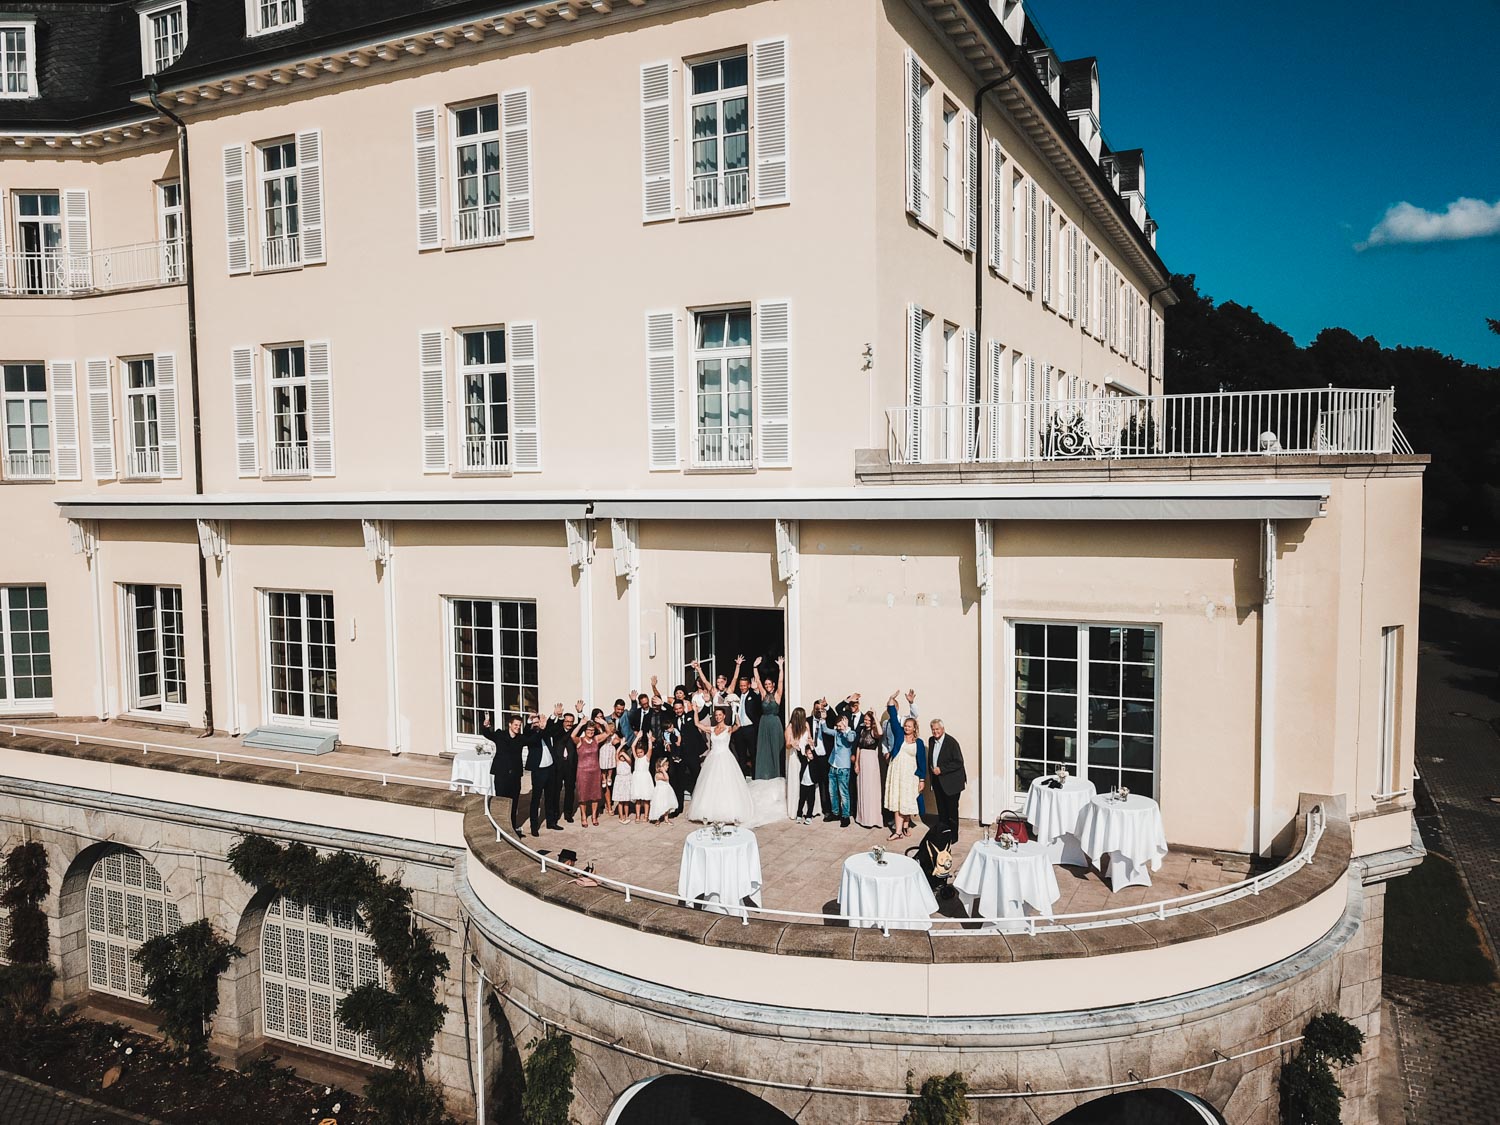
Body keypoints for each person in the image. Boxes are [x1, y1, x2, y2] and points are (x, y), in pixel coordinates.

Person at [688, 704, 755, 825]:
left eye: (720, 715)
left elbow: (738, 725)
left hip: (725, 757)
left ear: (724, 716)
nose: (718, 717)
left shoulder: (729, 728)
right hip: (713, 758)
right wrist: (695, 711)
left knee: (727, 784)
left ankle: (731, 813)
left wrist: (735, 710)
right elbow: (697, 724)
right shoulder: (712, 729)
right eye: (716, 715)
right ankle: (707, 813)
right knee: (711, 785)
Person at [883, 694, 926, 840]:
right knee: (897, 801)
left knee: (907, 800)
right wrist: (891, 698)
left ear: (914, 728)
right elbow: (893, 715)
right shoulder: (899, 733)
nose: (906, 728)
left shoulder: (918, 743)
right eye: (905, 726)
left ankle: (905, 826)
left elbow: (922, 763)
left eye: (909, 726)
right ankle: (898, 831)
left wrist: (922, 779)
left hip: (910, 775)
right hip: (896, 772)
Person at [522, 712, 562, 837]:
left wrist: (556, 716)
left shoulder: (545, 731)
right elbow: (527, 734)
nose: (536, 724)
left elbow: (555, 728)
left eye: (537, 722)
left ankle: (551, 822)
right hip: (538, 771)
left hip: (550, 769)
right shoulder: (531, 735)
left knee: (550, 797)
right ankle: (534, 826)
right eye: (534, 723)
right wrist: (529, 722)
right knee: (536, 799)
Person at [927, 719, 966, 839]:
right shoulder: (931, 741)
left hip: (952, 783)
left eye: (937, 729)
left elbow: (958, 762)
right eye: (933, 729)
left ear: (943, 729)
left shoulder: (951, 742)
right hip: (938, 781)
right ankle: (943, 832)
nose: (935, 731)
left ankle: (953, 836)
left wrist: (942, 769)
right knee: (942, 809)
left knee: (952, 811)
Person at [752, 656, 785, 781]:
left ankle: (776, 773)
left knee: (775, 748)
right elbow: (758, 680)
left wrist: (780, 667)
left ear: (773, 685)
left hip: (774, 723)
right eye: (766, 684)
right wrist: (755, 667)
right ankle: (764, 774)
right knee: (764, 749)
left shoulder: (777, 695)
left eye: (769, 684)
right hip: (764, 723)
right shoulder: (763, 694)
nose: (767, 686)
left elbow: (781, 682)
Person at [545, 705, 579, 823]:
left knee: (570, 790)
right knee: (556, 790)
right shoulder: (557, 730)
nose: (569, 724)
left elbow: (583, 725)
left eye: (571, 722)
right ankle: (555, 813)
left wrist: (580, 713)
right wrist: (555, 715)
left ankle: (568, 813)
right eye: (567, 721)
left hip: (570, 765)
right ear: (563, 721)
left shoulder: (575, 731)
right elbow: (548, 727)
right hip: (558, 765)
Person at [853, 710, 884, 828]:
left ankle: (872, 819)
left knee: (871, 789)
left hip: (871, 760)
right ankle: (863, 817)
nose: (866, 721)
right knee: (862, 788)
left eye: (868, 719)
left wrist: (875, 717)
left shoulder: (874, 731)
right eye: (865, 719)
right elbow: (859, 747)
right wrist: (856, 763)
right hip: (862, 759)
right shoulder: (862, 731)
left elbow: (880, 733)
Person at [826, 712, 857, 827]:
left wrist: (846, 728)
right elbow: (825, 730)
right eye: (837, 726)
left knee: (843, 793)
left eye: (840, 726)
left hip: (843, 768)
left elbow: (850, 739)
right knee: (832, 792)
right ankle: (835, 813)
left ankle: (845, 816)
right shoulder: (836, 733)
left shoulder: (850, 732)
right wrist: (823, 718)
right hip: (833, 766)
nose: (838, 728)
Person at [572, 718, 604, 827]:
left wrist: (603, 723)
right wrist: (580, 724)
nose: (590, 732)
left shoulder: (596, 739)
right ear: (585, 731)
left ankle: (594, 816)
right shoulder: (580, 740)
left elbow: (608, 733)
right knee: (583, 796)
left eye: (592, 730)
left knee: (595, 795)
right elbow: (572, 736)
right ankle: (583, 817)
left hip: (595, 771)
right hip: (582, 772)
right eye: (588, 730)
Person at [783, 706, 813, 819]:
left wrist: (810, 742)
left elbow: (809, 737)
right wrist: (792, 744)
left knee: (807, 781)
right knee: (796, 781)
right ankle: (795, 809)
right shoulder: (790, 728)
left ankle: (808, 808)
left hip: (805, 756)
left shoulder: (806, 725)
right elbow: (787, 745)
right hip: (795, 757)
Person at [630, 731, 655, 821]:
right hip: (637, 779)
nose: (639, 754)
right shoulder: (636, 758)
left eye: (641, 752)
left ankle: (646, 816)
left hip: (645, 779)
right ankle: (637, 816)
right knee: (638, 799)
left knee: (646, 798)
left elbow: (650, 749)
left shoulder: (646, 758)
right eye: (638, 752)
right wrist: (638, 737)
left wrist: (649, 739)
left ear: (644, 751)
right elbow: (632, 746)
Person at [648, 754, 679, 823]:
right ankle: (657, 819)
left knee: (666, 804)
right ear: (661, 766)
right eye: (666, 765)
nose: (668, 767)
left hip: (666, 791)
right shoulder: (657, 775)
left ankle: (666, 818)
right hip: (660, 792)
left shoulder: (664, 773)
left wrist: (664, 772)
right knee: (659, 804)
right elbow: (667, 778)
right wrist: (663, 771)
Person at [611, 742, 635, 822]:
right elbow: (616, 753)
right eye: (621, 756)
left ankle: (627, 815)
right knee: (621, 801)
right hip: (620, 783)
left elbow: (629, 759)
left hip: (626, 782)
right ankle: (621, 816)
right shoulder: (618, 762)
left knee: (626, 801)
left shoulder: (628, 763)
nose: (622, 757)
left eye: (624, 755)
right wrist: (621, 746)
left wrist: (624, 753)